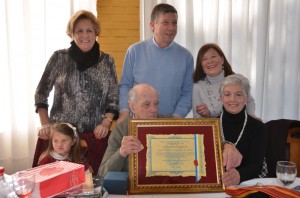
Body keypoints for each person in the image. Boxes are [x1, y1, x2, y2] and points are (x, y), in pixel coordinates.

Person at [33, 10, 119, 173]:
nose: (84, 35)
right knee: (53, 185)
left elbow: (114, 98)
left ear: (96, 33)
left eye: (89, 30)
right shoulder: (59, 58)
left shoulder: (107, 61)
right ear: (71, 34)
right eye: (79, 30)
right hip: (60, 138)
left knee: (93, 185)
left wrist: (105, 123)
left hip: (94, 138)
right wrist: (46, 125)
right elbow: (41, 93)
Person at [98, 83, 243, 178]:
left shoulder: (168, 122)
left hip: (169, 188)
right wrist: (122, 153)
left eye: (156, 104)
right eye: (147, 104)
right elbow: (103, 173)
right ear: (132, 106)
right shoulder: (121, 130)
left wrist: (226, 145)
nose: (153, 110)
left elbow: (202, 137)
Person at [118, 3, 194, 123]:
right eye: (165, 23)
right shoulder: (134, 51)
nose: (171, 28)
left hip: (170, 121)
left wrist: (177, 116)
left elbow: (188, 92)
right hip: (139, 120)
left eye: (174, 23)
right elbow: (125, 85)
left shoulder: (186, 56)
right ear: (152, 25)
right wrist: (124, 112)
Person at [220, 74, 267, 186]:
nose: (232, 99)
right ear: (221, 98)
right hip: (216, 185)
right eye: (227, 94)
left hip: (247, 184)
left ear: (246, 98)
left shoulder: (258, 127)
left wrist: (239, 175)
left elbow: (256, 165)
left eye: (238, 95)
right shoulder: (211, 125)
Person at [192, 43, 256, 118]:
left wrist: (252, 119)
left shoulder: (237, 80)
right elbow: (197, 119)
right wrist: (206, 115)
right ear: (201, 65)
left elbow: (249, 101)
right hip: (214, 128)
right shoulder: (198, 87)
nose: (210, 61)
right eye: (204, 59)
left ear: (222, 60)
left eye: (213, 56)